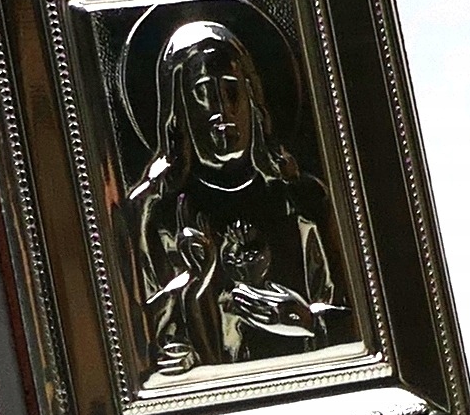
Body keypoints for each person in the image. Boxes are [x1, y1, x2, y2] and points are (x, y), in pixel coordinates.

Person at [127, 20, 346, 375]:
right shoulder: (157, 211)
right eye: (203, 94)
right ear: (179, 111)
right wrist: (196, 288)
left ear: (253, 101)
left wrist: (306, 320)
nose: (222, 113)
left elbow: (364, 318)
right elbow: (145, 337)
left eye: (232, 91)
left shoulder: (302, 200)